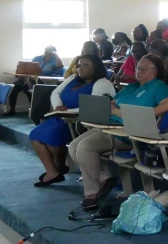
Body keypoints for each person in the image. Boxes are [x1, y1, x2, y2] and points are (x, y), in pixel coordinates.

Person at [68, 55, 168, 210]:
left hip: (130, 133)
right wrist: (112, 109)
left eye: (143, 69)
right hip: (112, 126)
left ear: (155, 72)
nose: (138, 71)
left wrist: (146, 114)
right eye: (138, 67)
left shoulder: (157, 86)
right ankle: (104, 179)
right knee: (73, 147)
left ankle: (92, 193)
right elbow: (112, 102)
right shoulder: (132, 87)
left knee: (85, 147)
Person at [30, 54, 114, 186]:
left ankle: (59, 167)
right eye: (79, 65)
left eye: (85, 65)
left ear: (96, 67)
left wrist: (67, 111)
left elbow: (93, 107)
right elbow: (55, 93)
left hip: (78, 122)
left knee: (52, 138)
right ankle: (52, 171)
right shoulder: (72, 78)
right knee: (34, 135)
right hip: (60, 116)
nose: (80, 68)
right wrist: (58, 106)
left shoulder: (102, 83)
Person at [4, 45, 64, 116]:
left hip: (43, 80)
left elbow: (61, 65)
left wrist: (56, 55)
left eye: (48, 50)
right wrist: (21, 73)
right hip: (28, 78)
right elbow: (29, 67)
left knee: (31, 89)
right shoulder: (37, 58)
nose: (45, 51)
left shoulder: (55, 61)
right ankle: (12, 109)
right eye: (45, 49)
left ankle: (34, 110)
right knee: (14, 87)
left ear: (53, 52)